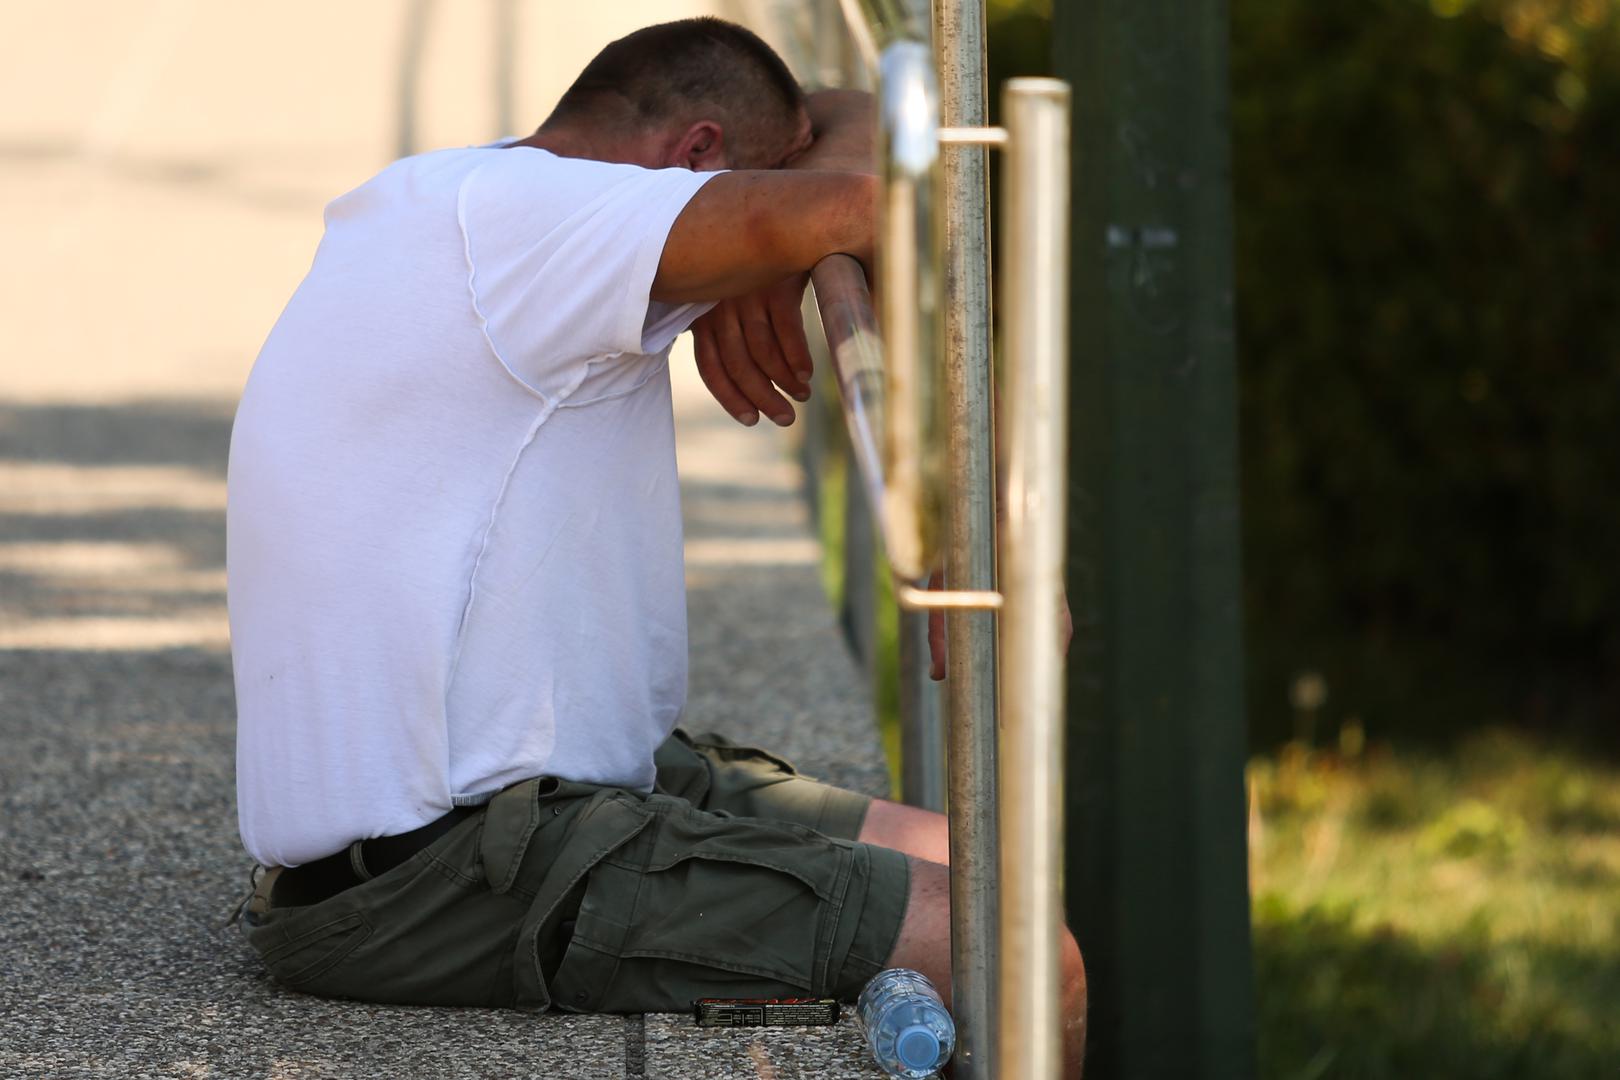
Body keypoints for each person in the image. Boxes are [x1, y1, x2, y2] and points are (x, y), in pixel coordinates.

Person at [226, 17, 1085, 1076]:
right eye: (747, 194)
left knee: (992, 862)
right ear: (696, 159)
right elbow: (879, 194)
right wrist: (789, 235)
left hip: (521, 790)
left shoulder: (467, 195)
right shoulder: (546, 225)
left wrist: (769, 244)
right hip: (443, 874)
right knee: (1022, 954)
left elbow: (856, 116)